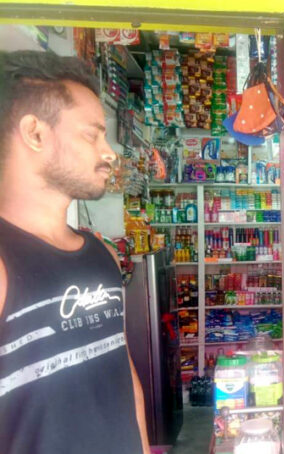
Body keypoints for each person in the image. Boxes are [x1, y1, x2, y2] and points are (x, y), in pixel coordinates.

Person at [0, 51, 150, 454]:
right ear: (35, 133)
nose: (109, 152)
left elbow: (125, 382)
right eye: (92, 134)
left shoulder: (100, 254)